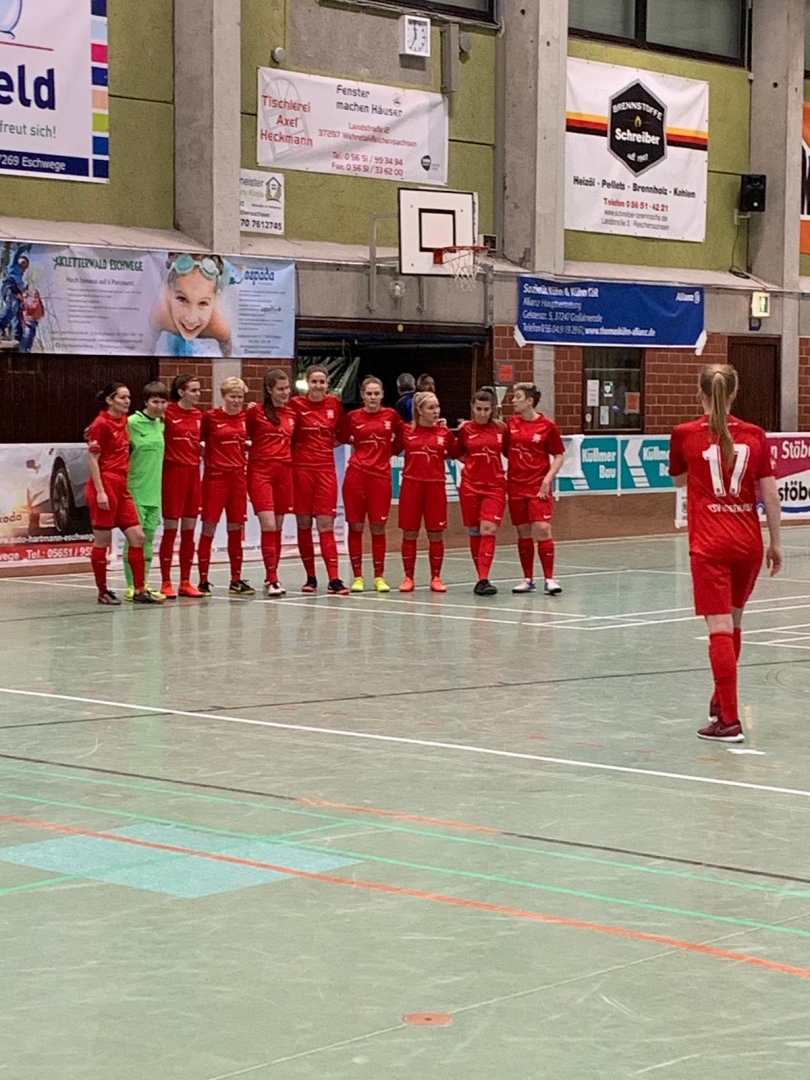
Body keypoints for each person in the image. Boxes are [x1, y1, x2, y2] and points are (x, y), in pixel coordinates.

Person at [669, 364, 782, 743]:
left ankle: (730, 721)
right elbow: (770, 494)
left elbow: (679, 480)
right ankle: (720, 702)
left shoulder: (684, 434)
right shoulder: (755, 435)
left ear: (700, 392)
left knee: (718, 630)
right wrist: (776, 542)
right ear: (734, 393)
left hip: (710, 544)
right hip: (748, 543)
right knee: (733, 625)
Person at [84, 383, 164, 606]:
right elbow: (93, 458)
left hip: (122, 484)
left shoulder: (125, 422)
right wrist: (100, 491)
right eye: (121, 397)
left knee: (138, 537)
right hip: (106, 482)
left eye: (128, 397)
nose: (127, 401)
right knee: (103, 540)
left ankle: (139, 589)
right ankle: (103, 591)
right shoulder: (101, 423)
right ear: (109, 400)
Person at [289, 364, 349, 595]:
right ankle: (310, 578)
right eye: (314, 381)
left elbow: (343, 433)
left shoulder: (334, 404)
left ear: (327, 383)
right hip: (301, 470)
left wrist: (329, 444)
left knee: (325, 525)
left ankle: (334, 579)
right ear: (307, 383)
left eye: (322, 382)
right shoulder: (296, 405)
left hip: (325, 470)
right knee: (304, 524)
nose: (318, 386)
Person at [341, 376, 403, 593]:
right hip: (356, 476)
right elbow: (342, 436)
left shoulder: (391, 415)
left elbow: (403, 436)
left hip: (381, 478)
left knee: (378, 527)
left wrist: (389, 452)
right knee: (355, 526)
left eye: (376, 394)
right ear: (362, 395)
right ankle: (357, 576)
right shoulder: (353, 417)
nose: (373, 398)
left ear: (382, 395)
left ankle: (379, 576)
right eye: (369, 394)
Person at [506, 383, 565, 596]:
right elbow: (504, 448)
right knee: (523, 531)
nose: (513, 400)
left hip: (538, 486)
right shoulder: (511, 424)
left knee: (542, 528)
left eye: (518, 397)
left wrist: (547, 479)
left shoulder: (547, 426)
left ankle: (549, 579)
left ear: (530, 401)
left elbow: (559, 455)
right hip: (516, 485)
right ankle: (527, 579)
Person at [198, 376, 254, 597]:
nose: (236, 401)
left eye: (240, 397)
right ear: (223, 396)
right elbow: (197, 441)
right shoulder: (210, 417)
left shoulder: (245, 417)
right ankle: (203, 580)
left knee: (235, 528)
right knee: (209, 528)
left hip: (237, 478)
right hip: (215, 478)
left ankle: (236, 579)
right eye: (232, 396)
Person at [398, 390, 456, 593]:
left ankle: (436, 577)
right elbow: (391, 448)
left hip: (435, 486)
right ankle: (408, 577)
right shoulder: (406, 430)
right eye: (431, 408)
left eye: (437, 407)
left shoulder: (444, 433)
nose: (436, 411)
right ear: (419, 410)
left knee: (435, 533)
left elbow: (457, 452)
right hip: (411, 486)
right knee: (409, 532)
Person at [246, 368, 296, 597]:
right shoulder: (255, 412)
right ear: (269, 390)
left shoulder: (293, 413)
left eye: (287, 388)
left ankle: (271, 575)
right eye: (280, 389)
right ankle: (273, 579)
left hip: (284, 472)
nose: (285, 392)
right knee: (268, 523)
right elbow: (243, 434)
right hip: (260, 472)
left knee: (278, 525)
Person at [456, 387, 507, 596]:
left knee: (488, 529)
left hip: (495, 486)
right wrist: (472, 464)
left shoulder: (501, 429)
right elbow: (457, 452)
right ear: (472, 408)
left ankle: (484, 578)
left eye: (487, 409)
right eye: (479, 409)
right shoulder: (465, 430)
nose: (483, 413)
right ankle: (480, 579)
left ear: (492, 409)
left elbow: (511, 451)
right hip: (470, 487)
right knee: (475, 531)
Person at [159, 374, 204, 599]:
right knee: (171, 530)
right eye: (193, 390)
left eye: (198, 390)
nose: (198, 394)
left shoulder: (198, 415)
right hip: (173, 474)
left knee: (189, 530)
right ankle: (166, 582)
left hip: (193, 474)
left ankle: (185, 581)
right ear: (181, 392)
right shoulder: (167, 413)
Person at [123, 381, 168, 601]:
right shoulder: (131, 422)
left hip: (154, 492)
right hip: (134, 490)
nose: (159, 406)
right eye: (155, 401)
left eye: (163, 402)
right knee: (135, 540)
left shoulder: (160, 424)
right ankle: (131, 585)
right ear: (146, 402)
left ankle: (144, 583)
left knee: (148, 540)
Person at [151, 253, 232, 357]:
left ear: (215, 300)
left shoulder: (218, 326)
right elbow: (147, 348)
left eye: (203, 303)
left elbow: (229, 355)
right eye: (182, 299)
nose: (191, 319)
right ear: (168, 293)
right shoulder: (160, 315)